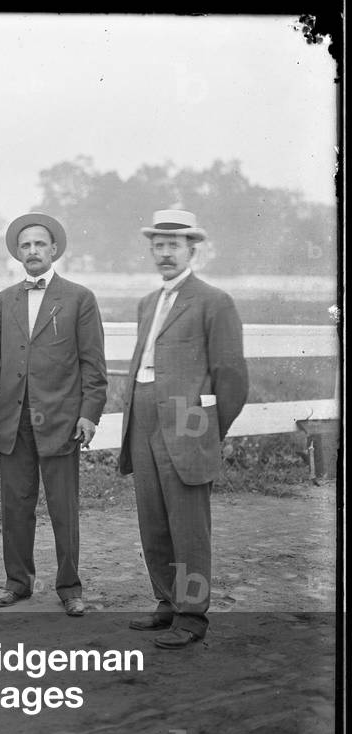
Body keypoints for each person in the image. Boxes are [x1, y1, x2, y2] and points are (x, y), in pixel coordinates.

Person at [118, 209, 248, 649]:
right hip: (143, 420)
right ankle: (167, 603)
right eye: (159, 245)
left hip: (187, 426)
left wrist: (209, 429)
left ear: (193, 250)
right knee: (152, 520)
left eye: (174, 245)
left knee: (188, 526)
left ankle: (192, 617)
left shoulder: (215, 301)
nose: (165, 253)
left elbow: (231, 377)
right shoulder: (146, 304)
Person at [0, 212, 107, 616]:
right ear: (18, 253)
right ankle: (17, 582)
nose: (33, 251)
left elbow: (93, 366)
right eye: (26, 246)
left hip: (59, 419)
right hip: (14, 419)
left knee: (63, 508)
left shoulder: (78, 298)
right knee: (15, 506)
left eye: (40, 244)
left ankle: (69, 587)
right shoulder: (4, 300)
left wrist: (89, 414)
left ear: (54, 249)